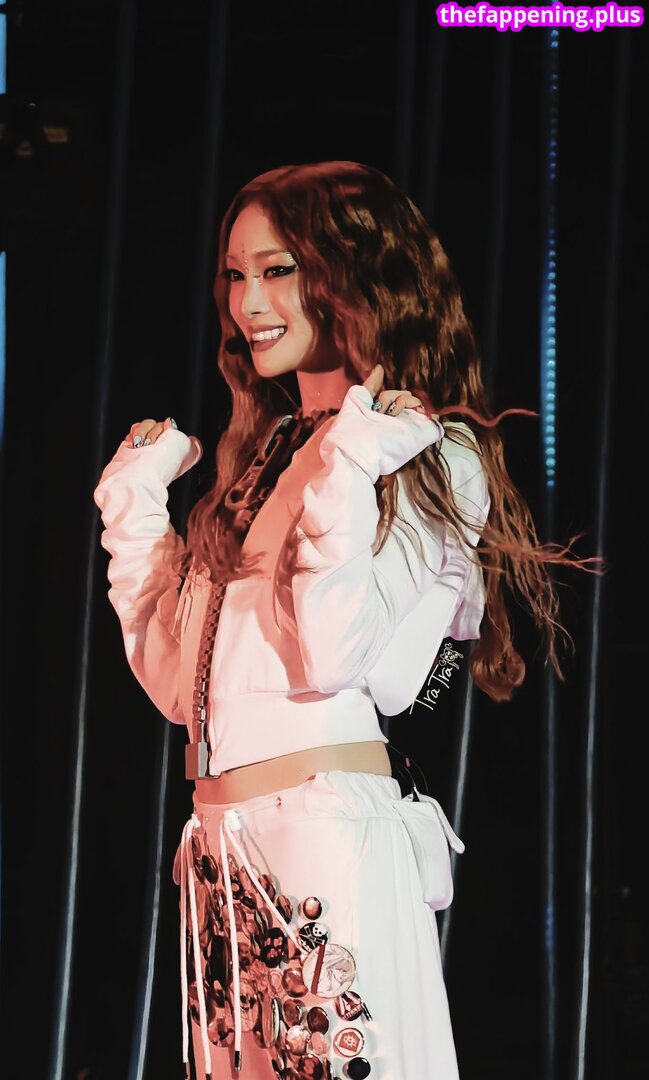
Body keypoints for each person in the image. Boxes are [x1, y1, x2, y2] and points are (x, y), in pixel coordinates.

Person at [93, 161, 599, 1080]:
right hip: (218, 849)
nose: (248, 301)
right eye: (235, 274)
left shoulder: (424, 451)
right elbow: (176, 689)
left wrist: (353, 467)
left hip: (322, 840)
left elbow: (337, 655)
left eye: (277, 269)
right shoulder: (267, 452)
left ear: (353, 275)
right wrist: (135, 514)